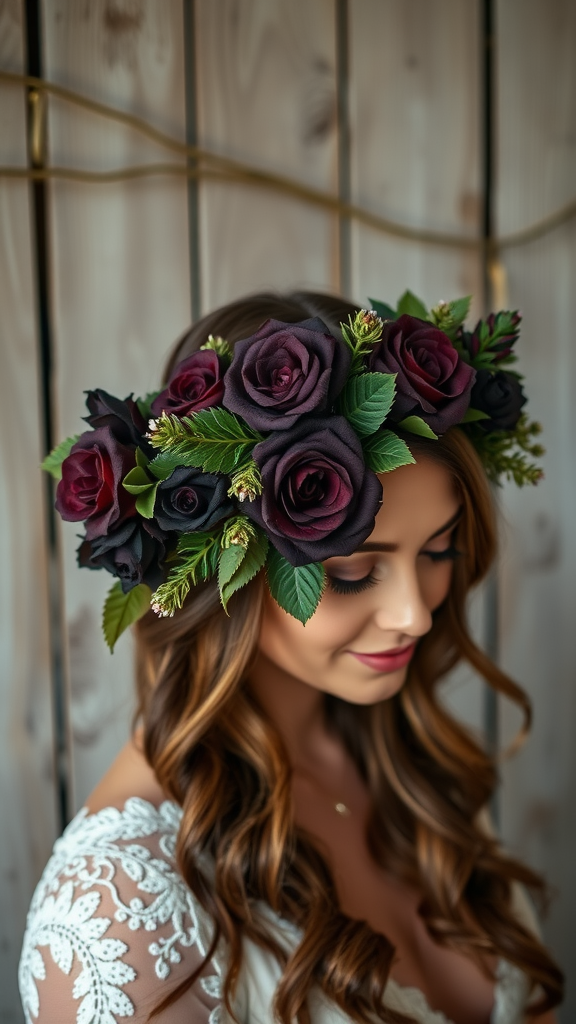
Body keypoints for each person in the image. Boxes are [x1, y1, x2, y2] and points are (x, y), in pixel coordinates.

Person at [19, 291, 564, 1024]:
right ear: (227, 577)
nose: (417, 614)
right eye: (351, 574)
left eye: (438, 552)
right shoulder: (119, 920)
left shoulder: (410, 765)